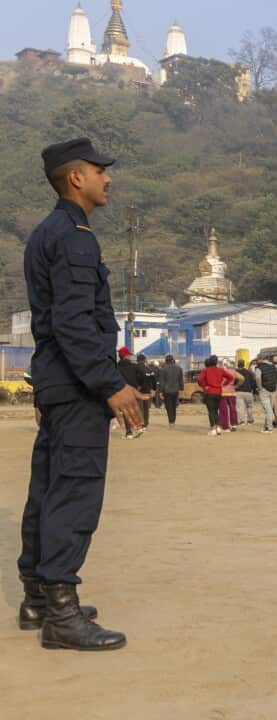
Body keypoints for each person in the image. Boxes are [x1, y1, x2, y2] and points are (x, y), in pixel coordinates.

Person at [19, 137, 144, 651]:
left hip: (56, 378)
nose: (107, 178)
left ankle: (38, 598)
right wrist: (109, 384)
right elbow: (75, 324)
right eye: (100, 170)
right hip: (75, 385)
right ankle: (62, 617)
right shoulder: (74, 236)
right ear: (77, 178)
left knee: (48, 488)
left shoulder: (46, 232)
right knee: (74, 489)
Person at [115, 347, 143, 439]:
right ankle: (138, 428)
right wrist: (139, 386)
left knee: (126, 411)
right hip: (133, 391)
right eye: (129, 355)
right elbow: (142, 377)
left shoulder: (116, 367)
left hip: (122, 391)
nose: (130, 357)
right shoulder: (134, 366)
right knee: (135, 409)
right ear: (126, 356)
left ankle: (129, 432)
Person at [197, 356, 226, 436]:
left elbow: (199, 380)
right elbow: (230, 377)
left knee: (211, 411)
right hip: (219, 392)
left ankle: (213, 429)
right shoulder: (221, 370)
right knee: (216, 411)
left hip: (209, 392)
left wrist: (204, 385)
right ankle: (219, 428)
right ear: (217, 362)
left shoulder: (206, 370)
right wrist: (223, 384)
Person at [252, 357, 277, 433]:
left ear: (261, 360)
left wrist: (259, 388)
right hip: (273, 390)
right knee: (269, 409)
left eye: (256, 361)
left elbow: (258, 377)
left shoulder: (259, 367)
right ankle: (266, 427)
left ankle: (269, 428)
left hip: (264, 390)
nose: (256, 362)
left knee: (268, 410)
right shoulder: (273, 366)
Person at [158, 355, 183, 427]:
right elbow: (181, 380)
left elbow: (162, 382)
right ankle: (173, 421)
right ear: (172, 360)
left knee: (168, 406)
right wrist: (181, 389)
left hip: (167, 390)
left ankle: (171, 421)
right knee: (174, 406)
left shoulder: (163, 369)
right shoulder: (179, 368)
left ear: (166, 361)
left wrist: (160, 392)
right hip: (175, 390)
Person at [217, 358, 240, 431]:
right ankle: (234, 425)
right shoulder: (233, 372)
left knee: (223, 410)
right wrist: (236, 386)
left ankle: (225, 426)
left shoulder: (221, 371)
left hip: (222, 393)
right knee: (232, 408)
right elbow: (242, 378)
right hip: (232, 392)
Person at [135, 353, 156, 429]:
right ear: (144, 360)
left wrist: (138, 386)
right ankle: (146, 424)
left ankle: (140, 423)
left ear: (137, 360)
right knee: (146, 408)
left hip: (138, 391)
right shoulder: (149, 369)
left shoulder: (135, 368)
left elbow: (135, 379)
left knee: (140, 408)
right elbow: (154, 380)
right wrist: (153, 389)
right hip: (147, 392)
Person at [234, 358, 257, 428]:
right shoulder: (249, 372)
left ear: (238, 364)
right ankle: (250, 421)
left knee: (240, 408)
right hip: (248, 392)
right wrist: (253, 390)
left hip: (239, 392)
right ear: (243, 365)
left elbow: (234, 382)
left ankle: (241, 422)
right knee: (249, 407)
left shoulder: (235, 372)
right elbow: (253, 382)